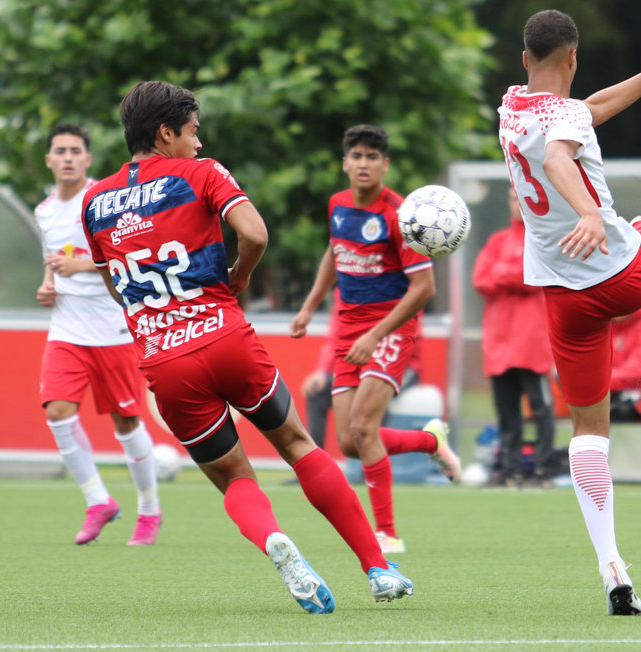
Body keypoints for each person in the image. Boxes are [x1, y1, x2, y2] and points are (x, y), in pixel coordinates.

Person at [81, 81, 413, 613]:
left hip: (165, 362)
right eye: (191, 132)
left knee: (234, 475)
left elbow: (116, 286)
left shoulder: (95, 200)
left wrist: (151, 316)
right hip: (224, 336)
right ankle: (378, 569)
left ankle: (277, 544)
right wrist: (238, 276)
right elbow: (255, 234)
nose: (198, 141)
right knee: (300, 445)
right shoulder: (203, 172)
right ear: (165, 133)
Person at [498, 9, 641, 615]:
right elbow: (562, 155)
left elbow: (587, 112)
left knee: (587, 436)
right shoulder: (562, 121)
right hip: (624, 276)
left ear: (525, 60)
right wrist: (588, 212)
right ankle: (614, 568)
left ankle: (611, 562)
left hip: (564, 297)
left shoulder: (511, 106)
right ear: (574, 59)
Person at [291, 124, 462, 555]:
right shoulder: (337, 205)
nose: (363, 164)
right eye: (357, 156)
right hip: (350, 328)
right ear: (344, 163)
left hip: (390, 327)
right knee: (350, 441)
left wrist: (374, 334)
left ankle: (386, 532)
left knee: (364, 427)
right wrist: (311, 305)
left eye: (372, 157)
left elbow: (424, 290)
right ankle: (430, 441)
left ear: (384, 164)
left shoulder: (402, 216)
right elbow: (335, 252)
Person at [35, 123, 161, 546]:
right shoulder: (44, 211)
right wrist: (48, 285)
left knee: (126, 422)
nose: (68, 157)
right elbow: (53, 262)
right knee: (57, 411)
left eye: (75, 151)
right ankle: (97, 500)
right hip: (67, 329)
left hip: (112, 329)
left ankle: (148, 510)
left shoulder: (102, 200)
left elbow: (131, 252)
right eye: (60, 151)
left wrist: (86, 266)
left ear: (88, 160)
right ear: (49, 160)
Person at [472, 186, 556, 488]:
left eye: (521, 197)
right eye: (511, 198)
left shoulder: (543, 239)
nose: (516, 204)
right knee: (507, 412)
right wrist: (515, 274)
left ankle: (543, 471)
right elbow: (480, 279)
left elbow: (535, 275)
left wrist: (503, 275)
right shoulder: (496, 241)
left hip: (532, 342)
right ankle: (510, 471)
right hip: (500, 342)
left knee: (541, 409)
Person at [301, 289, 424, 448]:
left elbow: (409, 338)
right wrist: (322, 371)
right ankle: (314, 468)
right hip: (362, 367)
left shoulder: (400, 284)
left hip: (402, 365)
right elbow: (337, 335)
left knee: (371, 407)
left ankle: (367, 469)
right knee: (317, 391)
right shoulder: (349, 283)